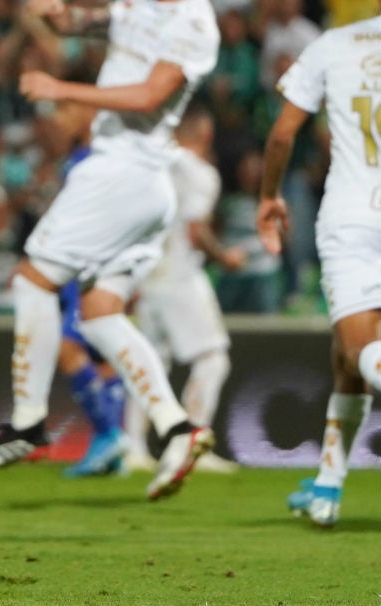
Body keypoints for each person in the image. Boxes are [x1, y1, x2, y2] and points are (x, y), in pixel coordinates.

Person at [0, 0, 220, 501]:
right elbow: (95, 23)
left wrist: (59, 89)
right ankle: (176, 426)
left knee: (33, 280)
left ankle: (29, 420)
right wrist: (64, 15)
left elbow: (151, 95)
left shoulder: (195, 21)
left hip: (122, 170)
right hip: (144, 184)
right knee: (102, 314)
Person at [256, 7, 381, 528]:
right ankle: (327, 485)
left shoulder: (334, 44)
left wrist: (268, 195)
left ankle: (329, 483)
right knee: (347, 359)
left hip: (353, 218)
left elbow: (284, 134)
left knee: (360, 349)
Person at [129, 107, 245, 474]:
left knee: (150, 363)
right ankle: (191, 441)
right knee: (213, 357)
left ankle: (131, 447)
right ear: (206, 136)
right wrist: (224, 257)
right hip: (179, 275)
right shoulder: (201, 173)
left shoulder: (151, 166)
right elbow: (195, 231)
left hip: (147, 276)